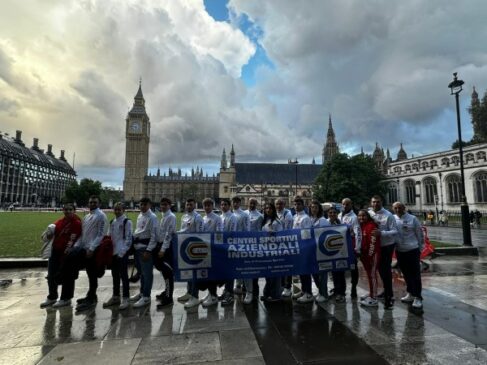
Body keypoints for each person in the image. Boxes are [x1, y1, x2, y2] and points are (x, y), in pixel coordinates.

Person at [40, 203, 82, 308]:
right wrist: (49, 235)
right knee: (51, 275)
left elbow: (73, 238)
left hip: (67, 253)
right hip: (55, 251)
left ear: (74, 211)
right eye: (66, 209)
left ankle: (66, 298)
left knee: (67, 276)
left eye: (70, 209)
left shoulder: (76, 223)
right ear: (63, 210)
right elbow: (49, 234)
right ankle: (52, 296)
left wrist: (67, 252)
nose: (68, 211)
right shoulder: (59, 222)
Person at [73, 196, 108, 311]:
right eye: (90, 202)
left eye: (94, 202)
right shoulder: (87, 216)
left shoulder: (101, 216)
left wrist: (92, 248)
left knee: (92, 274)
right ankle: (91, 295)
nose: (92, 204)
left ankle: (91, 298)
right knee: (89, 273)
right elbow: (83, 234)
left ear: (99, 203)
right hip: (85, 248)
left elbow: (101, 235)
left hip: (94, 249)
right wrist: (76, 246)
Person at [192, 198, 224, 308]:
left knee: (212, 273)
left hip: (213, 249)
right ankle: (210, 293)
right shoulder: (204, 218)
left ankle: (214, 296)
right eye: (205, 206)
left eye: (209, 206)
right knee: (207, 273)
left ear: (212, 206)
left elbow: (219, 234)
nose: (206, 208)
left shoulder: (217, 218)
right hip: (204, 249)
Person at [393, 202, 424, 310]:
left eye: (399, 208)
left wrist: (420, 248)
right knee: (405, 274)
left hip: (412, 249)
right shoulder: (392, 218)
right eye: (395, 208)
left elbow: (419, 233)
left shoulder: (412, 218)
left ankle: (418, 297)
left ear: (404, 208)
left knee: (415, 274)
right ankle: (410, 293)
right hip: (400, 250)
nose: (397, 210)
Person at [368, 195, 398, 309]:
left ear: (382, 203)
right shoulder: (370, 213)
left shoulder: (389, 215)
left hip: (386, 246)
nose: (376, 204)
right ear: (371, 203)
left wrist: (382, 233)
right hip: (375, 246)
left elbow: (394, 231)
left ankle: (389, 295)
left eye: (378, 202)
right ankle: (386, 290)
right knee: (379, 269)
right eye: (374, 202)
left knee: (385, 270)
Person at [103, 202, 133, 310]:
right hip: (113, 253)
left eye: (119, 209)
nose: (117, 211)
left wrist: (122, 252)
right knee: (115, 276)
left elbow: (129, 239)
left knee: (124, 276)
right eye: (115, 209)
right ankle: (116, 296)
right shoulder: (112, 222)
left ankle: (126, 298)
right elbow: (109, 236)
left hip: (122, 253)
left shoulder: (127, 222)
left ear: (123, 210)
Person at [130, 197, 158, 308]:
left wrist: (148, 250)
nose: (142, 206)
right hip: (138, 247)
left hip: (145, 249)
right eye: (141, 204)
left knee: (147, 274)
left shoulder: (152, 217)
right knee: (141, 273)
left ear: (149, 205)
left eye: (144, 204)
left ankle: (146, 296)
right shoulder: (140, 215)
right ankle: (142, 293)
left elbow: (154, 236)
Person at [177, 198, 204, 306]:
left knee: (194, 273)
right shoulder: (184, 216)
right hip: (184, 247)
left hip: (194, 248)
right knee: (188, 272)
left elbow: (200, 234)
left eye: (191, 204)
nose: (188, 206)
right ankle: (189, 292)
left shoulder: (198, 217)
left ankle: (195, 296)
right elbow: (182, 230)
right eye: (187, 204)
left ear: (195, 205)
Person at [337, 198, 361, 299]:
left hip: (351, 245)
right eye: (343, 204)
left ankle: (354, 288)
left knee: (353, 268)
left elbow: (357, 233)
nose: (345, 206)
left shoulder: (354, 217)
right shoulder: (339, 215)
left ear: (351, 205)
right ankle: (341, 290)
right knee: (341, 268)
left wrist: (357, 247)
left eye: (347, 204)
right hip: (341, 245)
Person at [155, 197, 177, 308]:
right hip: (161, 246)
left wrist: (163, 249)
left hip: (167, 248)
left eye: (165, 204)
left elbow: (168, 235)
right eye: (161, 205)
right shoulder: (164, 216)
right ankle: (166, 292)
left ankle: (169, 298)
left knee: (168, 273)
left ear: (170, 205)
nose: (163, 207)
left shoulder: (171, 217)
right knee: (164, 272)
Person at [292, 197, 314, 303]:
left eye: (299, 204)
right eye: (295, 204)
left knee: (305, 271)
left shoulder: (305, 218)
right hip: (297, 247)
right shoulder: (294, 217)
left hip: (304, 247)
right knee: (301, 271)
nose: (297, 206)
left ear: (303, 205)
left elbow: (307, 234)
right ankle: (304, 290)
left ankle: (308, 293)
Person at [357, 209, 381, 307]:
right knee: (369, 275)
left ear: (368, 216)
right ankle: (371, 293)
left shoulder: (371, 226)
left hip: (372, 255)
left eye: (363, 216)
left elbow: (373, 243)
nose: (361, 218)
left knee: (372, 275)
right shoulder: (362, 226)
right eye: (359, 216)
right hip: (365, 255)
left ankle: (374, 298)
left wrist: (370, 256)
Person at [309, 200, 330, 303]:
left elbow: (326, 235)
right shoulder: (310, 219)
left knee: (322, 272)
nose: (314, 209)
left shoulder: (323, 220)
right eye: (312, 207)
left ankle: (324, 293)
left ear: (319, 209)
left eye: (316, 207)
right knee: (314, 272)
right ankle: (320, 291)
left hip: (321, 249)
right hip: (311, 249)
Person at [261, 202, 283, 301]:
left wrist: (273, 234)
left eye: (270, 208)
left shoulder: (277, 222)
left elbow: (281, 235)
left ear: (273, 210)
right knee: (268, 273)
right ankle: (268, 292)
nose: (268, 210)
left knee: (274, 274)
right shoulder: (265, 220)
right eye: (266, 208)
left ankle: (275, 294)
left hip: (275, 250)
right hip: (266, 250)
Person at [243, 198, 264, 304]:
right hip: (244, 244)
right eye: (250, 203)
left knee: (254, 268)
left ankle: (254, 291)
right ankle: (246, 289)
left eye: (253, 203)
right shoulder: (244, 213)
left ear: (256, 204)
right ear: (247, 203)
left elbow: (260, 231)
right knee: (245, 267)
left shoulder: (260, 216)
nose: (251, 205)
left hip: (254, 244)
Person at [276, 198, 294, 298]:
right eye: (277, 204)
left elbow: (288, 229)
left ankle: (288, 287)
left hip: (285, 243)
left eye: (281, 204)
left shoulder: (287, 214)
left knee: (287, 265)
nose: (279, 206)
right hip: (277, 244)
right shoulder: (276, 213)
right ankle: (283, 286)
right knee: (280, 265)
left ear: (284, 204)